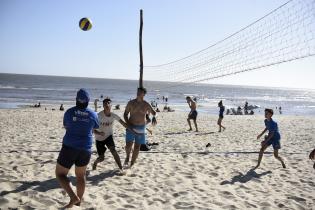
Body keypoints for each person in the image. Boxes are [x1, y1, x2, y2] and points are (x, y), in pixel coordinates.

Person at [55, 89, 99, 208]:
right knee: (80, 175)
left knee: (60, 174)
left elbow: (66, 126)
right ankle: (78, 202)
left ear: (76, 100)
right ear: (88, 101)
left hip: (70, 146)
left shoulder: (69, 112)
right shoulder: (93, 114)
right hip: (86, 148)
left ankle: (73, 197)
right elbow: (95, 127)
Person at [92, 98, 138, 171]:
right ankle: (95, 163)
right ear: (103, 106)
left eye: (108, 103)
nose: (107, 105)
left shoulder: (113, 115)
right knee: (101, 158)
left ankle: (121, 168)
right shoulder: (99, 116)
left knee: (113, 151)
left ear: (111, 105)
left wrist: (132, 130)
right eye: (105, 104)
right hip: (99, 138)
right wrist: (99, 133)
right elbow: (92, 129)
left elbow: (123, 123)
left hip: (108, 136)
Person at [123, 87, 157, 168]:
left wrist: (154, 117)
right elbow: (125, 114)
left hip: (141, 127)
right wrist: (128, 123)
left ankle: (132, 163)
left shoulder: (146, 104)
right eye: (137, 91)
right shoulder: (130, 103)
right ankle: (127, 157)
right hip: (131, 126)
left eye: (140, 92)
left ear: (144, 94)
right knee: (128, 146)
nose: (138, 93)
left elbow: (154, 113)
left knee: (137, 146)